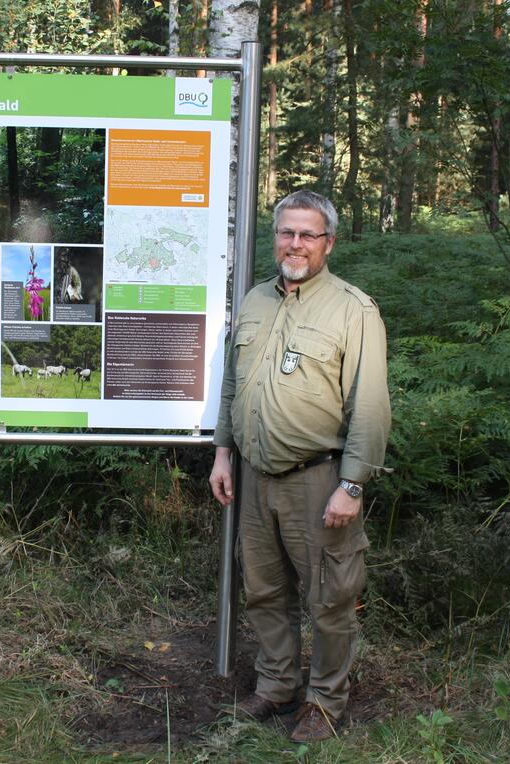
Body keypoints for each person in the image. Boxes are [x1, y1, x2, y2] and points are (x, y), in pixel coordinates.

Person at [209, 191, 391, 743]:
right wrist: (223, 452)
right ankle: (276, 686)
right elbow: (233, 385)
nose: (296, 244)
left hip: (320, 479)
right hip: (255, 477)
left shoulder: (353, 309)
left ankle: (325, 702)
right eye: (287, 232)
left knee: (329, 597)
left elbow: (371, 405)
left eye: (308, 234)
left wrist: (352, 484)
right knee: (264, 592)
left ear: (328, 243)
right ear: (276, 237)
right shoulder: (256, 300)